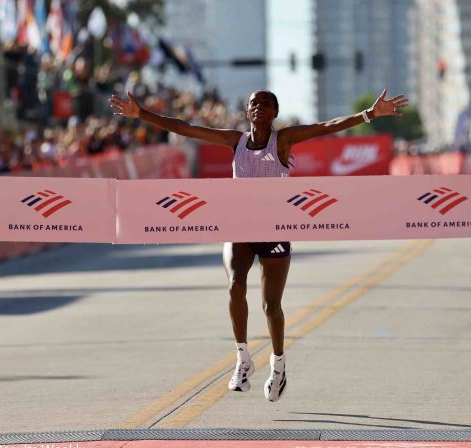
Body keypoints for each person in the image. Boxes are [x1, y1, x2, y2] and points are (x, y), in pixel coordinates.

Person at [110, 88, 407, 401]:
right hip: (239, 227)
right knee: (235, 285)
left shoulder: (283, 140)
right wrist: (141, 114)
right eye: (254, 103)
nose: (259, 107)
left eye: (266, 103)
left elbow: (327, 126)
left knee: (271, 306)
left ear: (275, 112)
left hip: (274, 230)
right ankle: (243, 359)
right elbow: (185, 128)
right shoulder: (235, 141)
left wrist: (369, 114)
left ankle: (278, 365)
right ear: (247, 111)